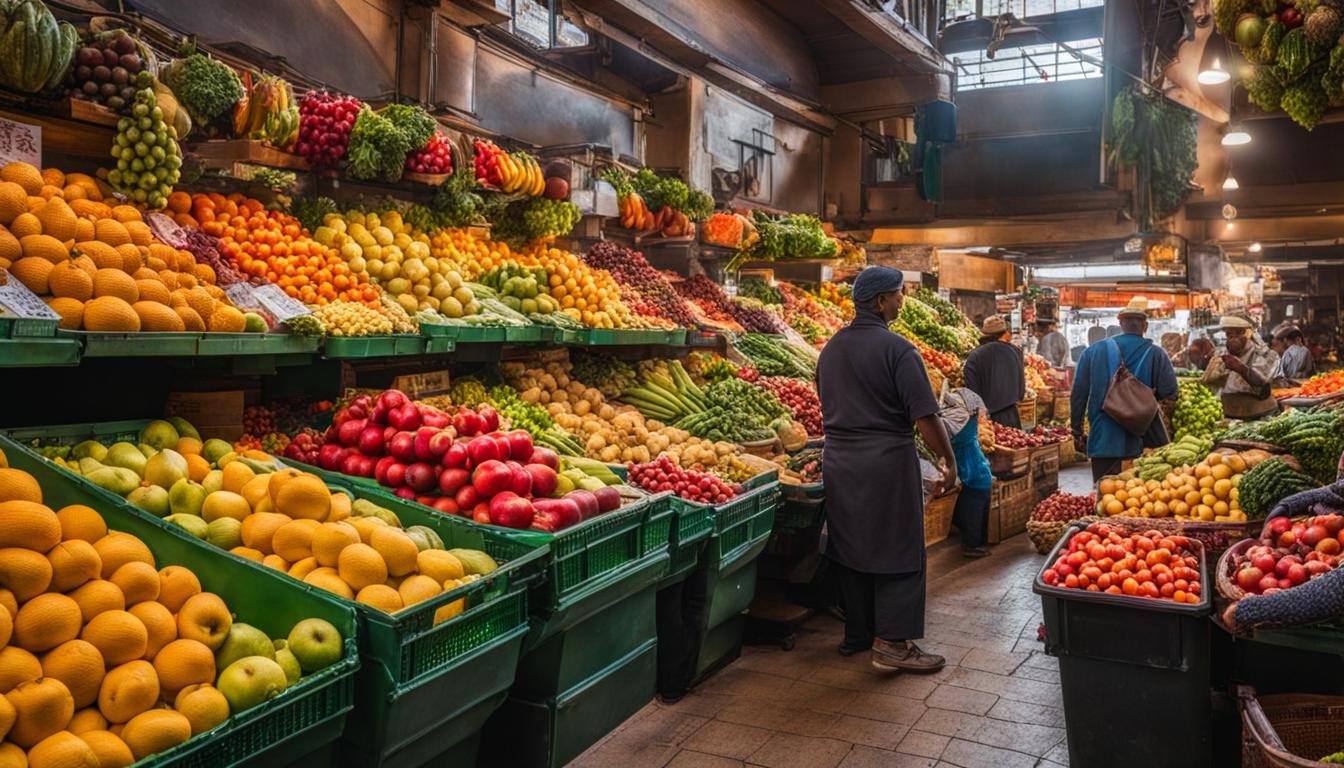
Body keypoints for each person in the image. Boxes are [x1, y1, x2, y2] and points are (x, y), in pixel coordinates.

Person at [817, 265, 956, 674]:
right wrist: (949, 460)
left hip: (840, 462)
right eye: (898, 293)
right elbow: (926, 417)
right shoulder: (898, 349)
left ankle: (857, 635)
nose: (902, 300)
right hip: (886, 463)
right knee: (899, 547)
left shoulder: (832, 349)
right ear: (880, 301)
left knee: (851, 545)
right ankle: (894, 643)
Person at [1071, 297, 1178, 482]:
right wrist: (1144, 398)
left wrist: (1077, 431)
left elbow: (1079, 394)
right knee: (1137, 499)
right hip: (1142, 441)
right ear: (1145, 326)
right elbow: (1170, 392)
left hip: (1104, 438)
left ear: (1120, 323)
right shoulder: (1156, 353)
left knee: (1106, 496)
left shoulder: (1093, 351)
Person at [941, 388, 993, 558]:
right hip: (971, 467)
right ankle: (971, 543)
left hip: (971, 465)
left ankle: (974, 537)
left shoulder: (955, 418)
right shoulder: (959, 419)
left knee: (974, 498)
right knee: (976, 498)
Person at [1204, 315, 1280, 418]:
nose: (1232, 339)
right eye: (1229, 335)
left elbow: (1263, 390)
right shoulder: (1223, 353)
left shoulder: (1266, 354)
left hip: (1259, 414)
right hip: (1229, 414)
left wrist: (1240, 368)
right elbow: (1212, 383)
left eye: (1238, 333)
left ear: (1248, 334)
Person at [963, 315, 1027, 428]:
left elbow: (971, 395)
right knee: (1013, 442)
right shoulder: (1016, 352)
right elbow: (1021, 391)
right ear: (1004, 333)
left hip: (987, 420)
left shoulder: (975, 356)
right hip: (1012, 416)